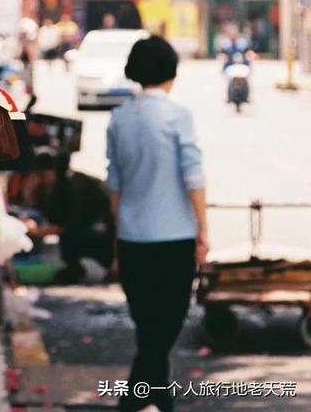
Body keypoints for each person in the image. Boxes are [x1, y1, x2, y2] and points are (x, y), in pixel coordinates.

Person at [106, 36, 208, 412]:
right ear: (171, 73)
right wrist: (204, 230)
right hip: (175, 238)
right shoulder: (178, 116)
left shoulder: (118, 119)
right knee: (164, 328)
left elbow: (114, 184)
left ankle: (153, 398)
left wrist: (119, 231)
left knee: (148, 326)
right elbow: (193, 176)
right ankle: (135, 402)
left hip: (133, 238)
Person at [10, 151, 115, 283]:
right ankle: (75, 268)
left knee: (73, 239)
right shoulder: (58, 187)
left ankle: (78, 268)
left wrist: (44, 231)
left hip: (99, 231)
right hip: (90, 228)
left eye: (40, 175)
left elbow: (72, 223)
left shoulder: (74, 185)